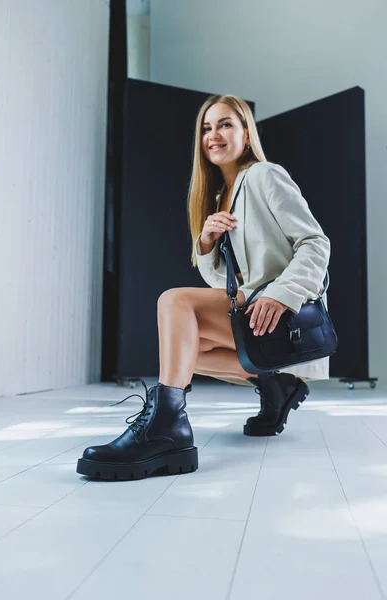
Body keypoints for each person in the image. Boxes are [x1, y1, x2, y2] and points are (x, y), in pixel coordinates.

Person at [76, 94, 330, 481]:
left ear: (246, 133)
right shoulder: (216, 198)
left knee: (174, 302)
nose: (214, 134)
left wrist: (283, 293)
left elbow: (315, 243)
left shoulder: (264, 175)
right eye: (207, 128)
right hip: (254, 313)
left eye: (225, 124)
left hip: (284, 316)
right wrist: (208, 245)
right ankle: (276, 385)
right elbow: (221, 286)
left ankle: (166, 427)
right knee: (183, 352)